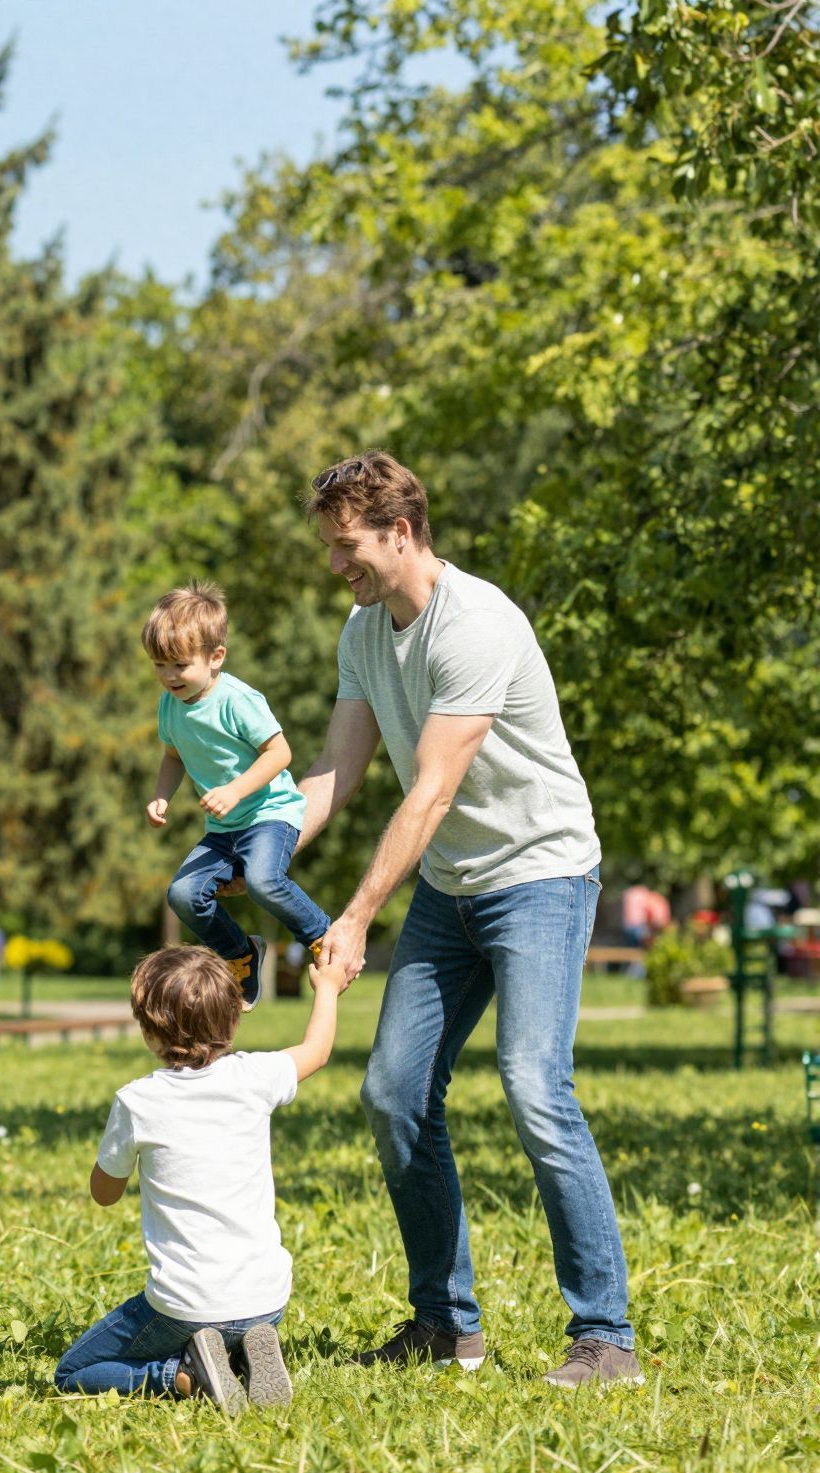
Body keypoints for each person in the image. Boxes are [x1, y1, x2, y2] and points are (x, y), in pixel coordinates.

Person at [294, 450, 637, 1388]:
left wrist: (359, 915)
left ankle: (605, 1336)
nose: (338, 565)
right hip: (453, 887)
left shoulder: (475, 623)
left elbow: (434, 789)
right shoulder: (365, 632)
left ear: (400, 534)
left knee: (534, 1086)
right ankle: (447, 1327)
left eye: (348, 546)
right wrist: (259, 850)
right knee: (394, 1094)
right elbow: (338, 772)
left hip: (539, 875)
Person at [54, 945, 340, 1411]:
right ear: (233, 1020)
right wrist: (326, 987)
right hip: (267, 1298)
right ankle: (243, 1351)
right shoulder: (256, 1077)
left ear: (148, 1029)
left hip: (184, 1305)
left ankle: (183, 1376)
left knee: (72, 1372)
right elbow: (318, 1050)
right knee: (233, 1320)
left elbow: (103, 1194)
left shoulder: (138, 1101)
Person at [145, 582, 330, 1009]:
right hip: (223, 829)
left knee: (264, 882)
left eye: (179, 664)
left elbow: (280, 753)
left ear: (216, 658)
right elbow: (173, 756)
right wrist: (161, 796)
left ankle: (322, 935)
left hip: (268, 814)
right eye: (159, 665)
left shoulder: (237, 699)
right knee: (182, 895)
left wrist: (235, 789)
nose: (169, 676)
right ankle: (240, 952)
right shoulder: (169, 706)